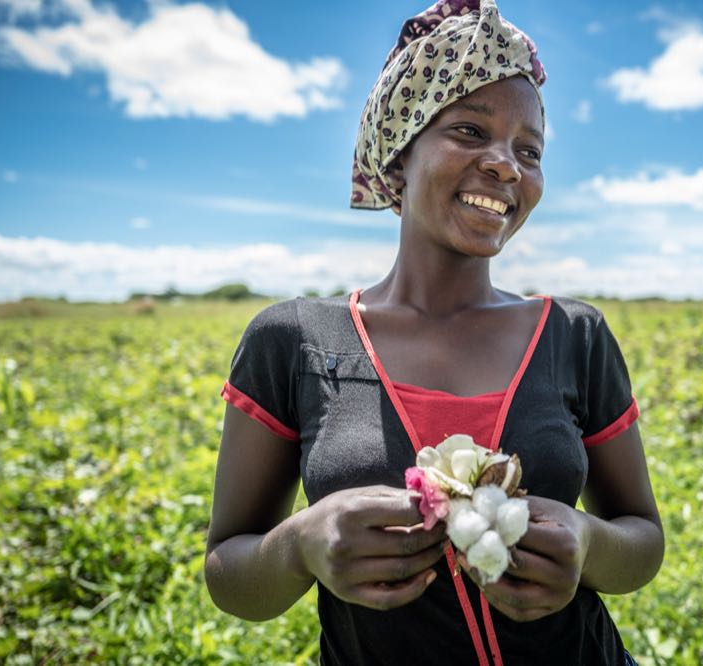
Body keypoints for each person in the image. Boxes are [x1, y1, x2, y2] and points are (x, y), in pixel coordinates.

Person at [204, 1, 664, 664]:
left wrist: (589, 542)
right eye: (471, 131)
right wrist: (301, 541)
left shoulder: (573, 335)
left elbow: (642, 541)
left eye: (528, 150)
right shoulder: (294, 340)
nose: (506, 164)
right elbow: (230, 573)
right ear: (401, 151)